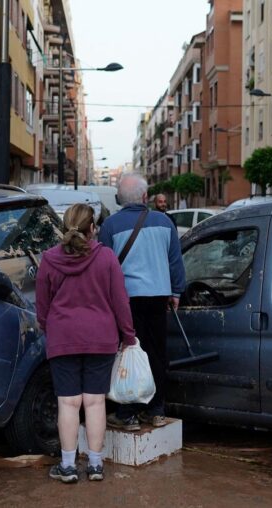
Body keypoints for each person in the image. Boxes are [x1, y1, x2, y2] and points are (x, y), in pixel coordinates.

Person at [36, 203, 137, 484]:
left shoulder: (48, 259)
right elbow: (120, 301)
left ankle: (67, 467)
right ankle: (95, 465)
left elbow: (42, 305)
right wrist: (128, 336)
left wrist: (50, 326)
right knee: (94, 403)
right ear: (93, 228)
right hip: (100, 338)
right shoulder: (106, 258)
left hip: (63, 337)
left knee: (67, 403)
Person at [99, 173, 186, 430]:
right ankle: (156, 410)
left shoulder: (110, 226)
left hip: (126, 300)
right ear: (146, 197)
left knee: (129, 352)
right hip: (158, 297)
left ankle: (128, 413)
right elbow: (175, 261)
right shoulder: (164, 222)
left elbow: (103, 266)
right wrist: (176, 292)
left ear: (119, 199)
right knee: (157, 354)